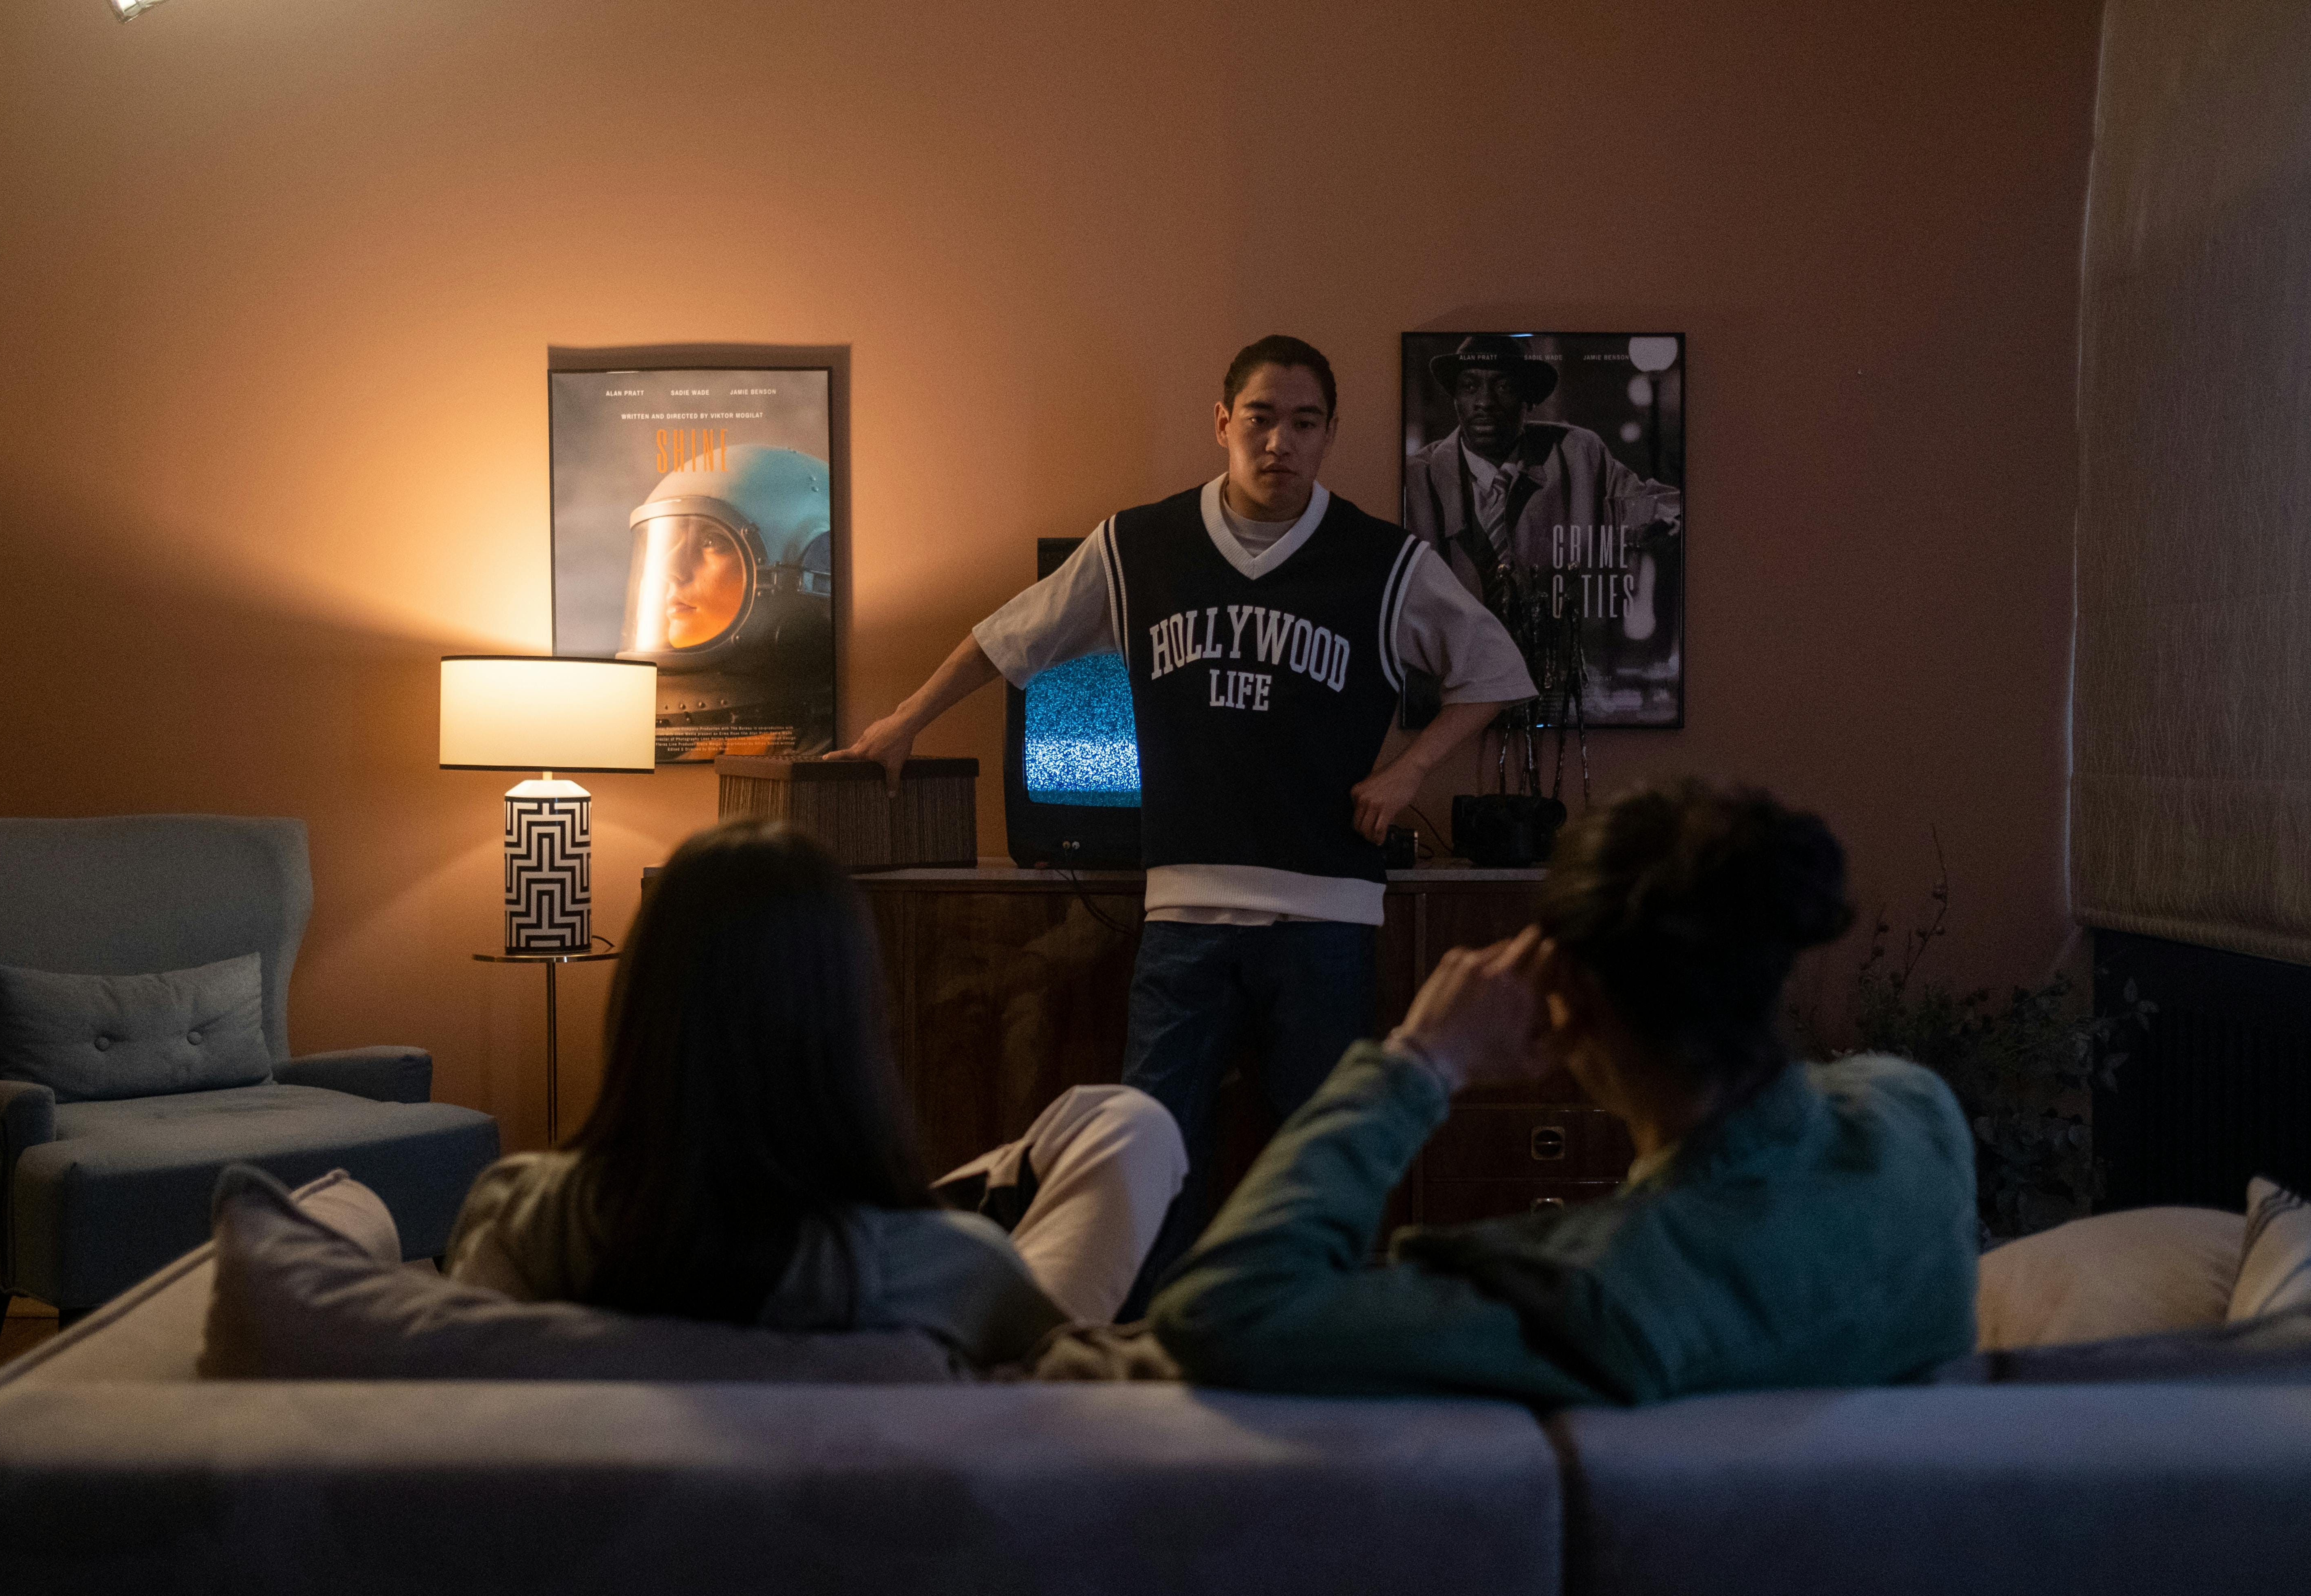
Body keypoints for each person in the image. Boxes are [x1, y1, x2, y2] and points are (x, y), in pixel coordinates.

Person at [830, 334, 1534, 1307]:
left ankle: (1307, 1340)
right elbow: (1010, 636)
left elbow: (1495, 671)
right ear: (1222, 422)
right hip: (1185, 914)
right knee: (1147, 1158)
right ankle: (1151, 1349)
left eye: (1304, 423)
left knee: (1317, 1165)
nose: (1279, 441)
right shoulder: (1139, 547)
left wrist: (1407, 769)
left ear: (1329, 435)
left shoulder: (1383, 561)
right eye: (1260, 417)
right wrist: (905, 722)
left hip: (1326, 912)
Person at [1147, 779, 1979, 1402]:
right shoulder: (1916, 1117)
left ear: (1569, 987)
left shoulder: (1598, 1291)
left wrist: (1422, 1059)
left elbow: (1225, 1310)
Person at [444, 820, 1187, 1369]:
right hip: (885, 1251)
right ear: (851, 1024)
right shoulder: (958, 1274)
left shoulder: (524, 1212)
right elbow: (1063, 1381)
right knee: (1132, 1123)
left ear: (641, 1007)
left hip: (728, 1225)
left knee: (1107, 1117)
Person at [1403, 334, 1682, 710]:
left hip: (1552, 689)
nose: (1484, 402)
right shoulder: (1416, 480)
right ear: (1455, 398)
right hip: (1451, 696)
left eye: (1503, 387)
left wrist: (1666, 522)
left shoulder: (1577, 454)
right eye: (1469, 387)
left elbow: (1653, 506)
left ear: (1529, 399)